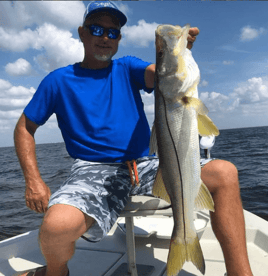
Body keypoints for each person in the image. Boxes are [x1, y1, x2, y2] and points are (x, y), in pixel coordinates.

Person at [14, 2, 253, 276]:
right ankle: (55, 273)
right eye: (96, 29)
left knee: (225, 173)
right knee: (56, 227)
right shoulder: (57, 81)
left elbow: (161, 77)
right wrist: (33, 179)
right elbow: (24, 127)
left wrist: (170, 52)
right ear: (82, 33)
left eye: (112, 32)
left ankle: (240, 273)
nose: (105, 37)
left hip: (146, 164)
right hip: (93, 170)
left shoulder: (127, 67)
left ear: (119, 39)